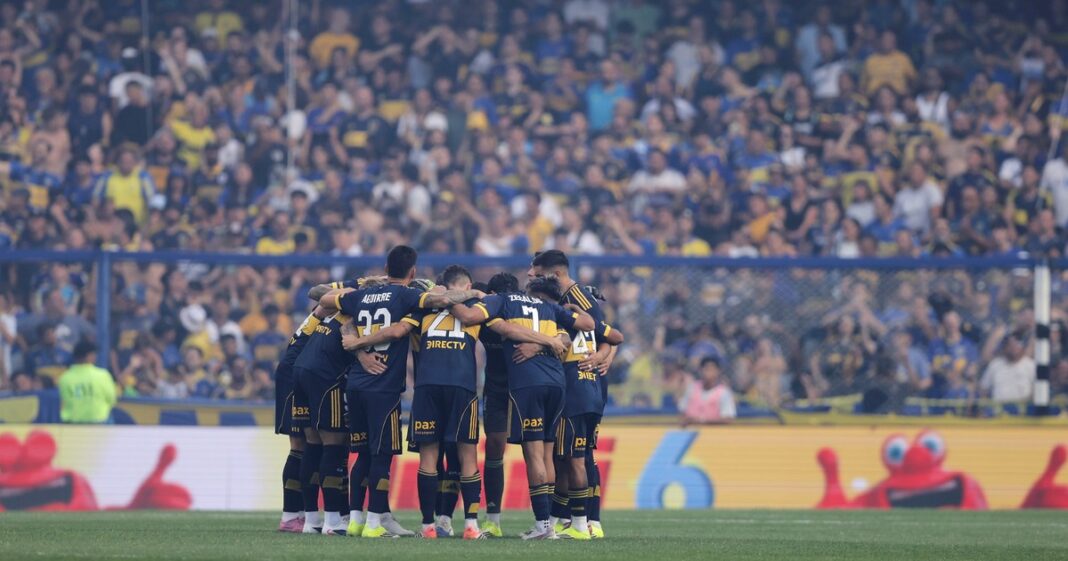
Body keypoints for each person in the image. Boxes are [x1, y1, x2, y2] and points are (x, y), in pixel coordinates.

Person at [317, 245, 484, 538]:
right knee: (388, 456)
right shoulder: (411, 298)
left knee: (367, 455)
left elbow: (324, 302)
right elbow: (421, 314)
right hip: (394, 386)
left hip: (367, 384)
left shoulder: (369, 298)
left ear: (386, 268)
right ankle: (378, 524)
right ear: (413, 272)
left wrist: (359, 347)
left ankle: (368, 521)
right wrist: (474, 294)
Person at [449, 273, 594, 540]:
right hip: (516, 386)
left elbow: (482, 321)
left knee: (536, 453)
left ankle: (544, 524)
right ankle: (498, 520)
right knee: (501, 447)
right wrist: (547, 340)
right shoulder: (536, 308)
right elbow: (580, 327)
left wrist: (443, 295)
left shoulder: (502, 305)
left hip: (525, 384)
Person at [529, 249, 623, 539]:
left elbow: (604, 335)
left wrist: (603, 355)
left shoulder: (577, 300)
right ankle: (562, 518)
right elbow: (609, 336)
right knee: (566, 456)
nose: (532, 277)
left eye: (537, 274)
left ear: (555, 274)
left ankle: (590, 520)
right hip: (581, 387)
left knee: (580, 456)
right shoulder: (566, 302)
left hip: (581, 386)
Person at [58, 341, 118, 424]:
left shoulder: (65, 377)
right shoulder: (102, 375)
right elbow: (112, 400)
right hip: (100, 422)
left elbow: (64, 402)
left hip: (73, 423)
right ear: (89, 356)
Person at [979, 332, 1035, 403]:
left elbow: (1036, 391)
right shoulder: (995, 364)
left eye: (1016, 345)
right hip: (998, 407)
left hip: (1023, 407)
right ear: (1004, 348)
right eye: (1010, 345)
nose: (1013, 348)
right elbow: (984, 389)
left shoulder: (1030, 365)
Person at [680, 356, 737, 425]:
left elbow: (728, 419)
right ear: (700, 371)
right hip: (691, 429)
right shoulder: (692, 388)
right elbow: (682, 412)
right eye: (706, 369)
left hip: (714, 431)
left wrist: (703, 421)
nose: (708, 373)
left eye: (712, 370)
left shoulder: (724, 392)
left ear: (718, 371)